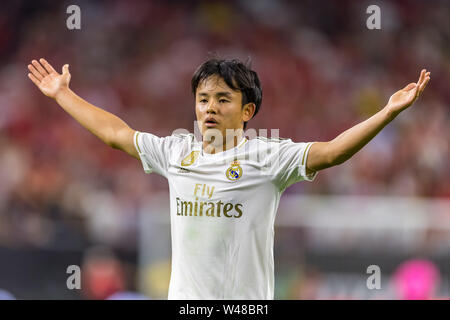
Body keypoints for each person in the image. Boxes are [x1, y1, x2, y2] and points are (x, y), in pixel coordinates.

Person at [27, 58, 430, 299]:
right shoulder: (175, 152)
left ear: (247, 110)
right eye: (203, 99)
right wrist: (63, 94)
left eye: (223, 99)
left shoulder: (267, 156)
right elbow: (116, 134)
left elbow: (331, 152)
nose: (210, 109)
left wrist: (387, 112)